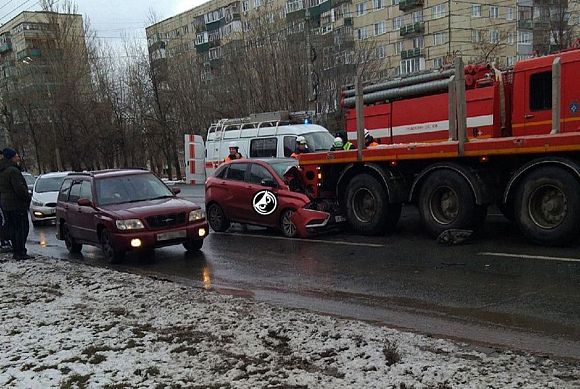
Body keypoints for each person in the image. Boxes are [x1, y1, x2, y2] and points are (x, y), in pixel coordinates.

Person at [0, 148, 32, 260]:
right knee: (21, 229)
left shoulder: (3, 170)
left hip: (6, 205)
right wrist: (27, 197)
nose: (18, 157)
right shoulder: (13, 171)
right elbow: (19, 189)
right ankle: (20, 252)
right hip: (17, 204)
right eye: (16, 155)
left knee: (13, 228)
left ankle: (16, 250)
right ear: (12, 157)